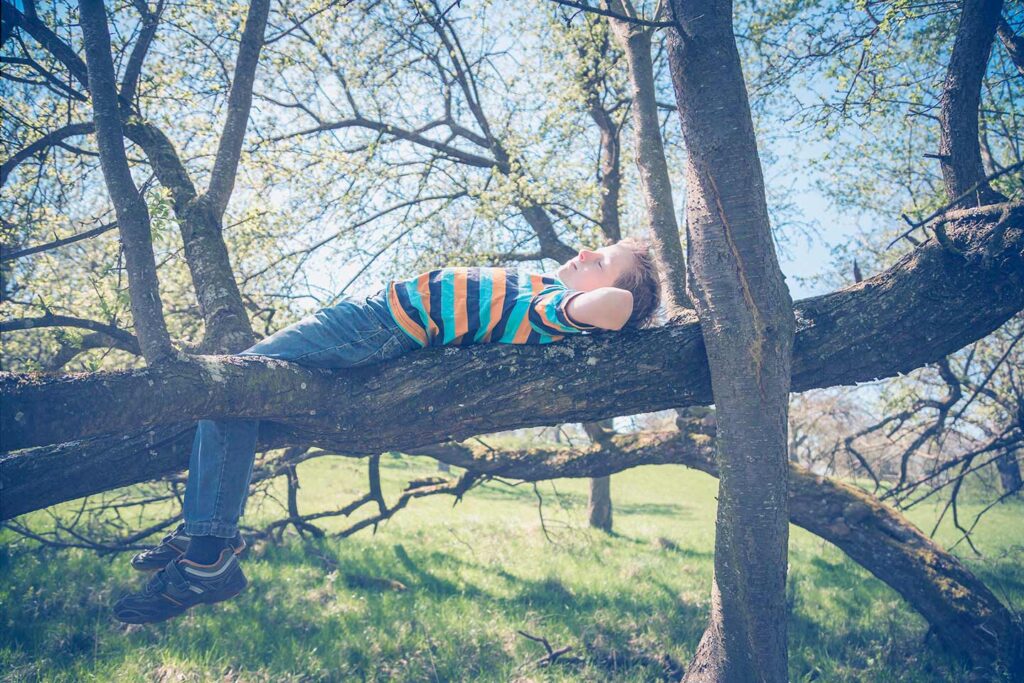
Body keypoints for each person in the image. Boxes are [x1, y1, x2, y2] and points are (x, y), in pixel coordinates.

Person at [112, 237, 662, 624]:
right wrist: (605, 269)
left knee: (232, 384)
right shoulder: (542, 286)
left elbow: (616, 307)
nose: (585, 252)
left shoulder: (552, 306)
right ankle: (207, 534)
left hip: (378, 325)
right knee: (236, 390)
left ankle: (208, 551)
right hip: (374, 317)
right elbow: (611, 296)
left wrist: (621, 296)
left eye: (601, 260)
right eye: (596, 248)